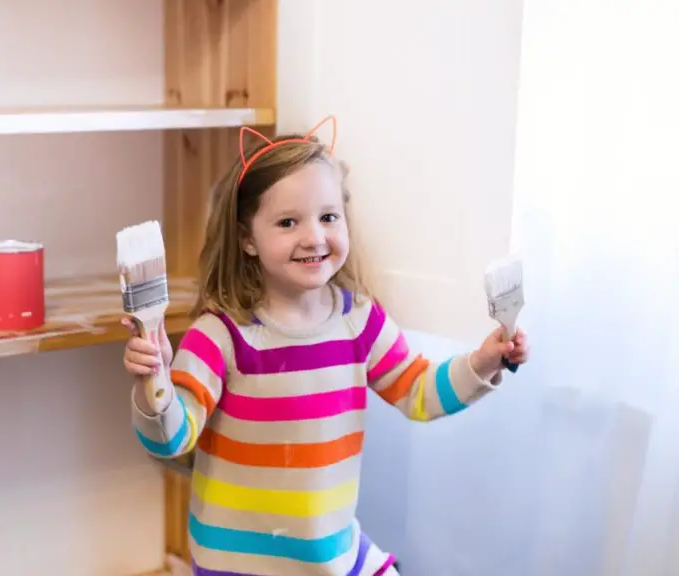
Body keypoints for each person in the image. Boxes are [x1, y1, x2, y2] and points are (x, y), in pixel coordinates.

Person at [121, 116, 530, 576]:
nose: (314, 237)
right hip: (240, 562)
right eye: (288, 222)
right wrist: (151, 383)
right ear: (246, 240)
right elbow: (172, 438)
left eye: (328, 217)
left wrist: (481, 362)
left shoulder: (360, 322)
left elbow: (419, 391)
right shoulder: (222, 335)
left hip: (332, 552)